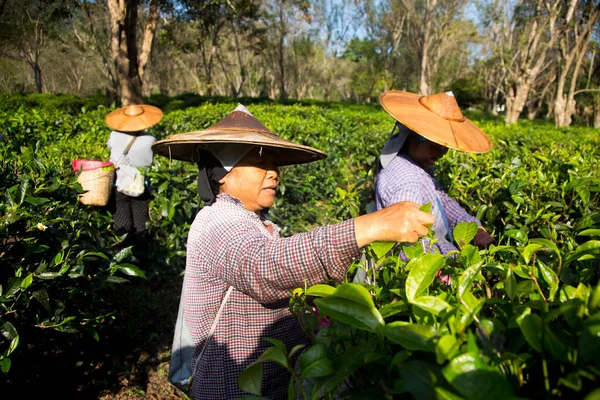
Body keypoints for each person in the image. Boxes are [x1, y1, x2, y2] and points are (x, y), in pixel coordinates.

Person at [152, 105, 434, 399]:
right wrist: (365, 228)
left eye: (275, 164)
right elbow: (263, 266)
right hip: (233, 386)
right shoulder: (219, 222)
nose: (274, 173)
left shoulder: (251, 220)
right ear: (223, 174)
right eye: (261, 164)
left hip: (269, 380)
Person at [374, 90, 496, 255]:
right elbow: (411, 248)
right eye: (435, 146)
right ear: (414, 138)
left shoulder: (420, 167)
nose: (441, 153)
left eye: (444, 147)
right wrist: (455, 258)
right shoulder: (407, 180)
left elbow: (442, 202)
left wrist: (475, 229)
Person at [105, 104, 163, 259]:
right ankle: (141, 260)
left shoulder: (114, 136)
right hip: (141, 187)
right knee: (140, 226)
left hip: (119, 186)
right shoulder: (151, 139)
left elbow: (109, 148)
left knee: (122, 226)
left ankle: (124, 261)